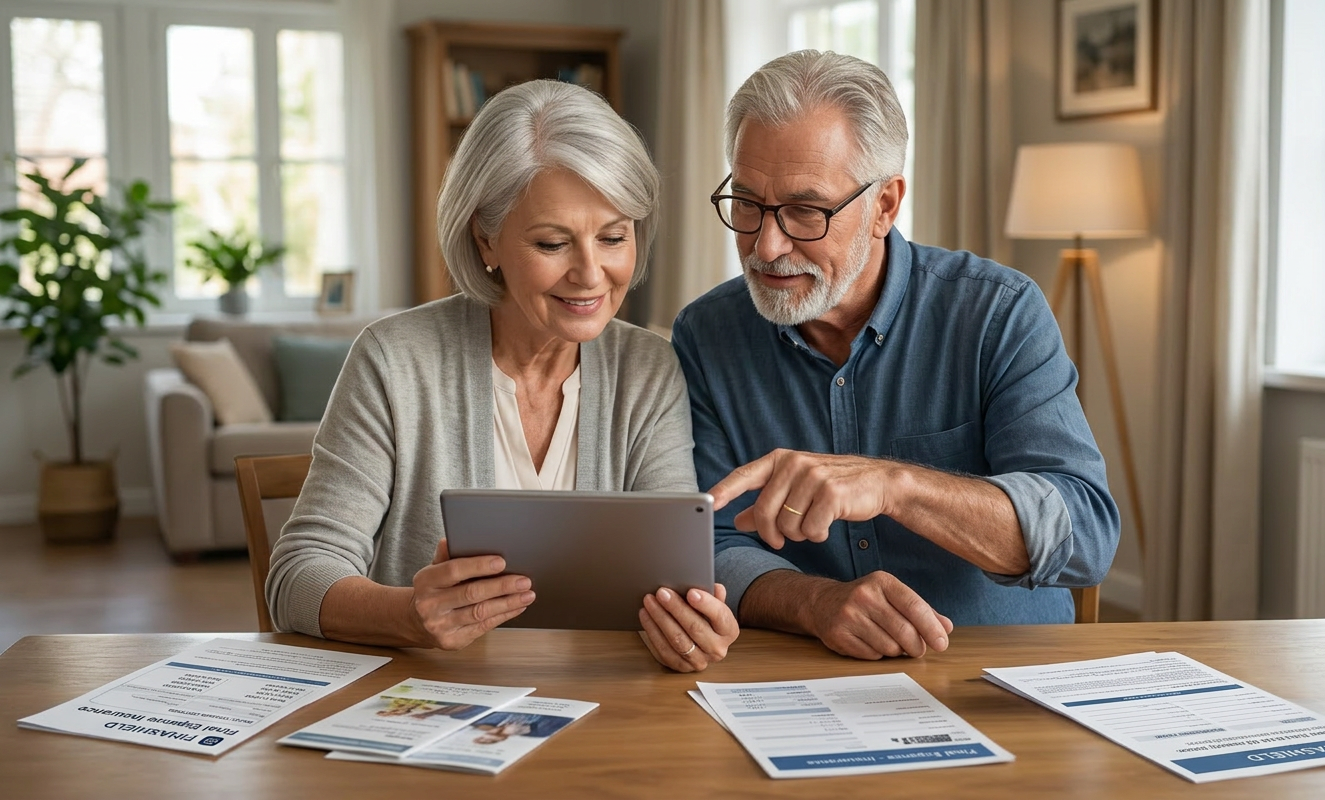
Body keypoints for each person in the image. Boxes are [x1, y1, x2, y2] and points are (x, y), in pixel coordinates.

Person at [266, 79, 738, 673]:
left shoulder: (648, 368)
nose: (591, 273)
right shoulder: (394, 360)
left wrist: (689, 625)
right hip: (432, 699)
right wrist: (409, 615)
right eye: (552, 243)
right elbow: (297, 576)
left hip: (605, 697)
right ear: (485, 239)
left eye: (614, 237)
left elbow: (673, 576)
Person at [671, 51, 1119, 661]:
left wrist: (896, 486)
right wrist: (813, 602)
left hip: (1000, 676)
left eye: (806, 210)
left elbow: (1085, 534)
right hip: (805, 679)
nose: (766, 245)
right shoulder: (706, 334)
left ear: (884, 205)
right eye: (747, 203)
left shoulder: (998, 313)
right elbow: (710, 541)